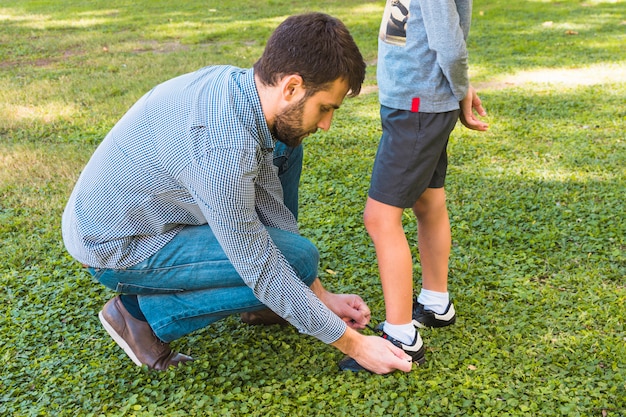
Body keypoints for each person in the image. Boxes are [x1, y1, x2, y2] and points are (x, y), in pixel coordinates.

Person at [62, 12, 413, 374]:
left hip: (153, 213)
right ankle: (137, 315)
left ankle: (270, 303)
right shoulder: (224, 150)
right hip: (119, 245)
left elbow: (270, 209)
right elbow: (259, 264)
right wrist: (355, 344)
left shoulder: (241, 90)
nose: (326, 124)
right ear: (291, 87)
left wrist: (319, 297)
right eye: (325, 108)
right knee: (294, 261)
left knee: (287, 148)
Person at [339, 0, 489, 371]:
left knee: (379, 218)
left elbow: (451, 44)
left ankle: (402, 335)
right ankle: (437, 304)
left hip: (418, 107)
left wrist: (460, 90)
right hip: (417, 104)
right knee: (428, 202)